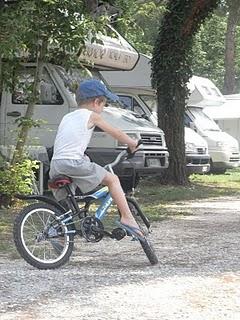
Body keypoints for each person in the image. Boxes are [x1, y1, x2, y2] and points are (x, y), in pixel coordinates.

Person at [49, 79, 143, 237]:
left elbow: (68, 143)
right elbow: (116, 132)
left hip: (56, 164)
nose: (103, 108)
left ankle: (58, 237)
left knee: (66, 204)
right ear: (96, 101)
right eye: (104, 104)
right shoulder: (92, 116)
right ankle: (127, 218)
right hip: (72, 162)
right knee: (113, 180)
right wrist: (132, 143)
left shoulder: (68, 117)